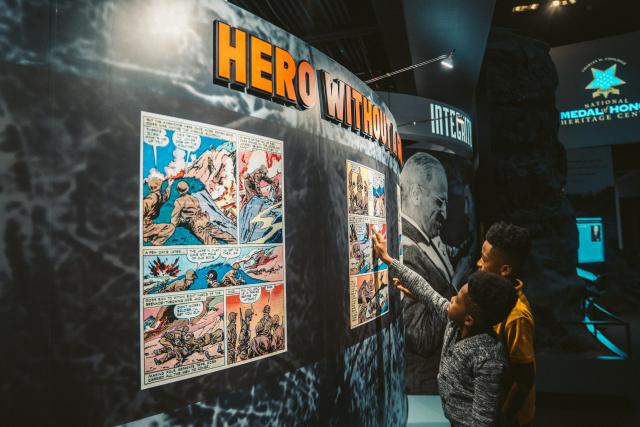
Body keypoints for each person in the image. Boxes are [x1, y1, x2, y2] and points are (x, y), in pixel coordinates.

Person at [373, 232, 517, 427]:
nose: (450, 299)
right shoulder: (455, 322)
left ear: (468, 319)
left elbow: (483, 421)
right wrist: (388, 259)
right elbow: (427, 291)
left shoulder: (488, 360)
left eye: (457, 300)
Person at [400, 152, 459, 393]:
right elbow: (422, 337)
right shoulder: (407, 251)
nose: (445, 213)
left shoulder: (427, 240)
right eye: (439, 202)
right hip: (425, 383)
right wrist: (456, 288)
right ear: (415, 194)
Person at [477, 222, 535, 427]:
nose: (478, 263)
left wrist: (504, 417)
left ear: (505, 269)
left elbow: (524, 379)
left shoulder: (517, 316)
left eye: (484, 259)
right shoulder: (494, 299)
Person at [171, 181, 237, 244]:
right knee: (218, 232)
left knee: (208, 239)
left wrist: (174, 224)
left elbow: (175, 217)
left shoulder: (179, 201)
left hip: (195, 223)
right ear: (187, 189)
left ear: (178, 191)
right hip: (203, 218)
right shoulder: (194, 198)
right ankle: (233, 240)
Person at [143, 178, 175, 245]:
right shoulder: (151, 198)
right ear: (159, 186)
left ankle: (149, 237)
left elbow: (165, 197)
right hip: (144, 227)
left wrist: (169, 185)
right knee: (170, 228)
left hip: (149, 225)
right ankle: (154, 241)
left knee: (170, 227)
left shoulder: (157, 196)